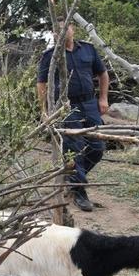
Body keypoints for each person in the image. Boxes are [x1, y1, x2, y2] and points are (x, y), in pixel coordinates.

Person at [37, 19, 109, 212]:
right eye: (57, 29)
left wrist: (103, 98)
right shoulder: (50, 56)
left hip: (90, 103)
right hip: (66, 107)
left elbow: (103, 74)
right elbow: (42, 84)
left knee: (97, 147)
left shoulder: (88, 49)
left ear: (72, 29)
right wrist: (44, 111)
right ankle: (79, 191)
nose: (62, 31)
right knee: (74, 148)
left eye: (65, 27)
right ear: (53, 33)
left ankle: (73, 178)